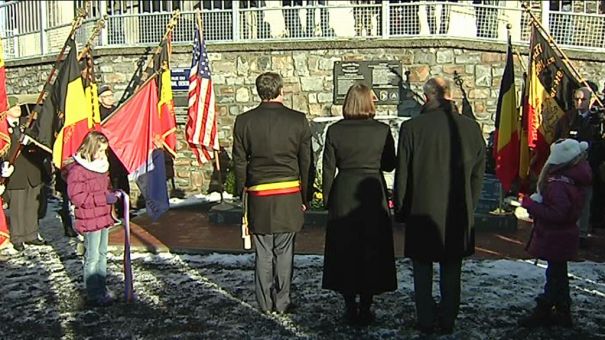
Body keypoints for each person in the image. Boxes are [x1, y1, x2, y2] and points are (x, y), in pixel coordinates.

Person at [394, 77, 485, 335]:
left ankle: (425, 317)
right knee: (452, 267)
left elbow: (404, 174)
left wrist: (401, 209)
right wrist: (471, 203)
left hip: (422, 209)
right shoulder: (470, 128)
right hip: (458, 208)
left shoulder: (413, 128)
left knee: (422, 269)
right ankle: (447, 318)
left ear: (428, 96)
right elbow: (479, 173)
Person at [232, 72, 313, 314]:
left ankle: (265, 303)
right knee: (285, 250)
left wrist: (242, 192)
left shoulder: (244, 121)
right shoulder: (298, 120)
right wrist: (305, 196)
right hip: (288, 193)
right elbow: (306, 161)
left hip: (259, 193)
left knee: (263, 252)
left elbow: (239, 161)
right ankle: (282, 300)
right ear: (281, 90)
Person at [321, 83, 397, 326]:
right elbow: (388, 164)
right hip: (372, 191)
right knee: (372, 247)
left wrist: (326, 198)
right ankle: (366, 305)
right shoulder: (382, 130)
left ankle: (349, 304)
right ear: (369, 102)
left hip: (344, 190)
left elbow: (328, 168)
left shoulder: (335, 130)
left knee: (344, 248)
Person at [518, 138, 592, 328]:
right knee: (558, 274)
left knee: (554, 276)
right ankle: (562, 310)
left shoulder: (559, 184)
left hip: (555, 235)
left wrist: (531, 205)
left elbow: (557, 213)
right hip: (564, 235)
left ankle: (545, 309)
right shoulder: (573, 179)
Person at [64, 130, 117, 306]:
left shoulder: (102, 167)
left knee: (102, 254)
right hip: (89, 218)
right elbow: (78, 198)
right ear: (91, 148)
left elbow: (104, 189)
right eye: (100, 150)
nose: (103, 154)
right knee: (92, 256)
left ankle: (101, 288)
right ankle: (93, 294)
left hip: (103, 216)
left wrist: (113, 195)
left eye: (104, 151)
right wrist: (104, 198)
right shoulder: (78, 171)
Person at [4, 95, 47, 252]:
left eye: (18, 107)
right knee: (18, 207)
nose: (18, 109)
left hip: (32, 170)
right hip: (16, 173)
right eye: (14, 107)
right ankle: (17, 237)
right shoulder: (3, 129)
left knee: (32, 205)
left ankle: (31, 234)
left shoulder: (27, 124)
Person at [98, 85, 130, 220]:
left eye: (111, 95)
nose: (110, 98)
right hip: (108, 153)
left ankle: (125, 209)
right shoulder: (99, 113)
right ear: (100, 99)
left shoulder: (116, 110)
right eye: (107, 96)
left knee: (123, 181)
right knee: (112, 183)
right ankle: (114, 210)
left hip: (120, 151)